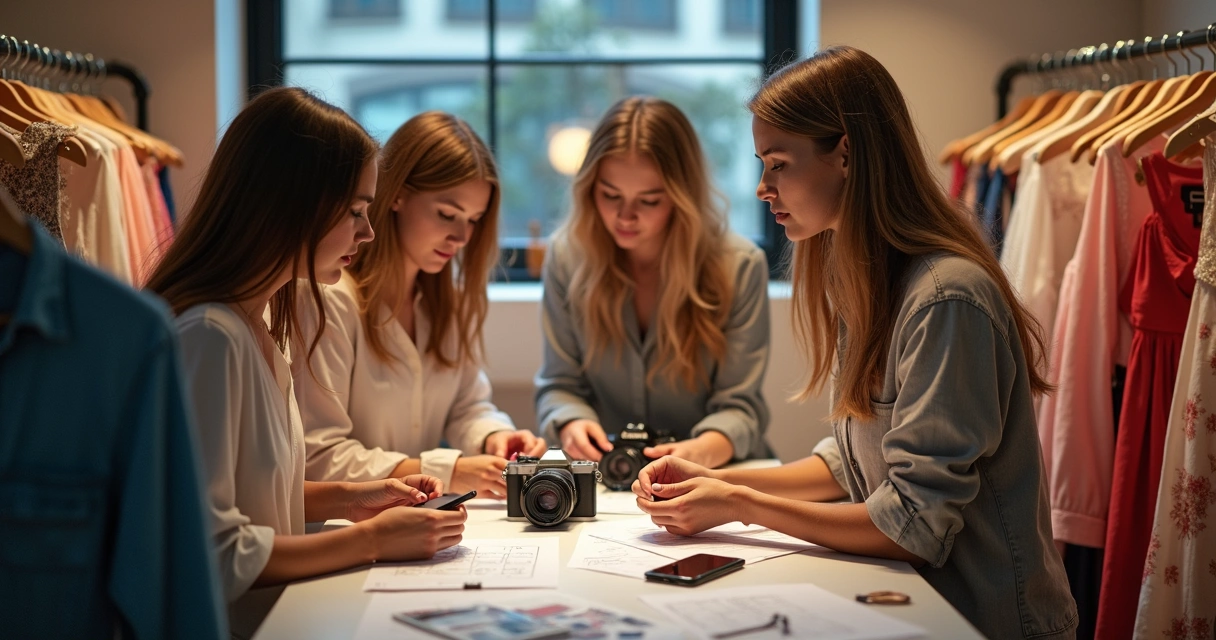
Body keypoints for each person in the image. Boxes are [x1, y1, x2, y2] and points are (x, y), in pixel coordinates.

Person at [631, 47, 1078, 640]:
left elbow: (914, 526)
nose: (763, 187)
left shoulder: (945, 298)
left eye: (779, 164)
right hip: (911, 609)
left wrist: (739, 503)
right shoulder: (866, 277)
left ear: (845, 154)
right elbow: (852, 463)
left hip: (982, 621)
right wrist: (708, 483)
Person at [146, 88, 465, 637]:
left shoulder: (266, 325)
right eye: (356, 212)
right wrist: (371, 540)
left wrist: (353, 498)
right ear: (293, 203)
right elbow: (213, 548)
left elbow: (251, 491)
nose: (367, 233)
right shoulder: (210, 338)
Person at [295, 111, 545, 498]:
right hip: (342, 530)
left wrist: (495, 437)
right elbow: (319, 456)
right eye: (447, 214)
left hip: (414, 523)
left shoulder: (446, 302)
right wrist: (450, 469)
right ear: (396, 194)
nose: (461, 236)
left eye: (474, 220)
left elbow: (467, 406)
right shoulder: (330, 298)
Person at [536, 96, 771, 470]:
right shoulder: (567, 258)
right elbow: (559, 385)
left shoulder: (738, 266)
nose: (625, 216)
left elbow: (739, 407)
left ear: (682, 198)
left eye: (649, 200)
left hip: (715, 475)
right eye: (610, 195)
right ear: (588, 187)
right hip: (610, 478)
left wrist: (699, 452)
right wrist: (571, 423)